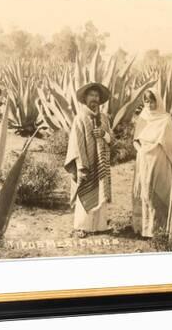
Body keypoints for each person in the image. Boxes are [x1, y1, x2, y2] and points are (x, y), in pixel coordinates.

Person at [64, 82, 113, 238]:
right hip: (85, 163)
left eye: (97, 96)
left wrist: (103, 134)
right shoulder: (80, 119)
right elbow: (76, 144)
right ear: (85, 98)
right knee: (86, 191)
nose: (94, 98)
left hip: (101, 163)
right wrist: (81, 165)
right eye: (91, 95)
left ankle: (100, 226)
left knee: (100, 192)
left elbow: (111, 139)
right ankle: (82, 226)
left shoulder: (104, 118)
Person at [132, 89, 172, 238]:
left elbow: (170, 144)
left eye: (152, 101)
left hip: (159, 159)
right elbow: (136, 140)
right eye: (146, 101)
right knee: (145, 192)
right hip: (144, 159)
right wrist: (141, 151)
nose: (149, 104)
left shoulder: (165, 119)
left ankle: (159, 229)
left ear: (157, 101)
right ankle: (146, 229)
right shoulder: (142, 118)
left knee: (157, 191)